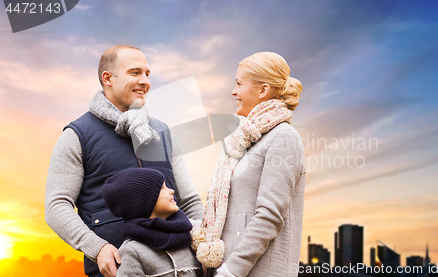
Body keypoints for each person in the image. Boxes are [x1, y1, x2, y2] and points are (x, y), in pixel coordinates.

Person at [45, 45, 204, 277]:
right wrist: (97, 248)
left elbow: (189, 201)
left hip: (179, 268)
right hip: (116, 271)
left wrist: (203, 245)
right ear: (107, 78)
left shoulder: (163, 132)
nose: (145, 81)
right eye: (135, 72)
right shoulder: (76, 136)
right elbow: (56, 206)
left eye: (147, 74)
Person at [191, 52, 305, 277]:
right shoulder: (245, 140)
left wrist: (231, 271)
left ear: (262, 90)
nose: (233, 92)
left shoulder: (284, 138)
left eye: (239, 84)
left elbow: (270, 216)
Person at [102, 168, 203, 277]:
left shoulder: (191, 233)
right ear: (142, 202)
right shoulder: (133, 251)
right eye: (162, 188)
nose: (171, 191)